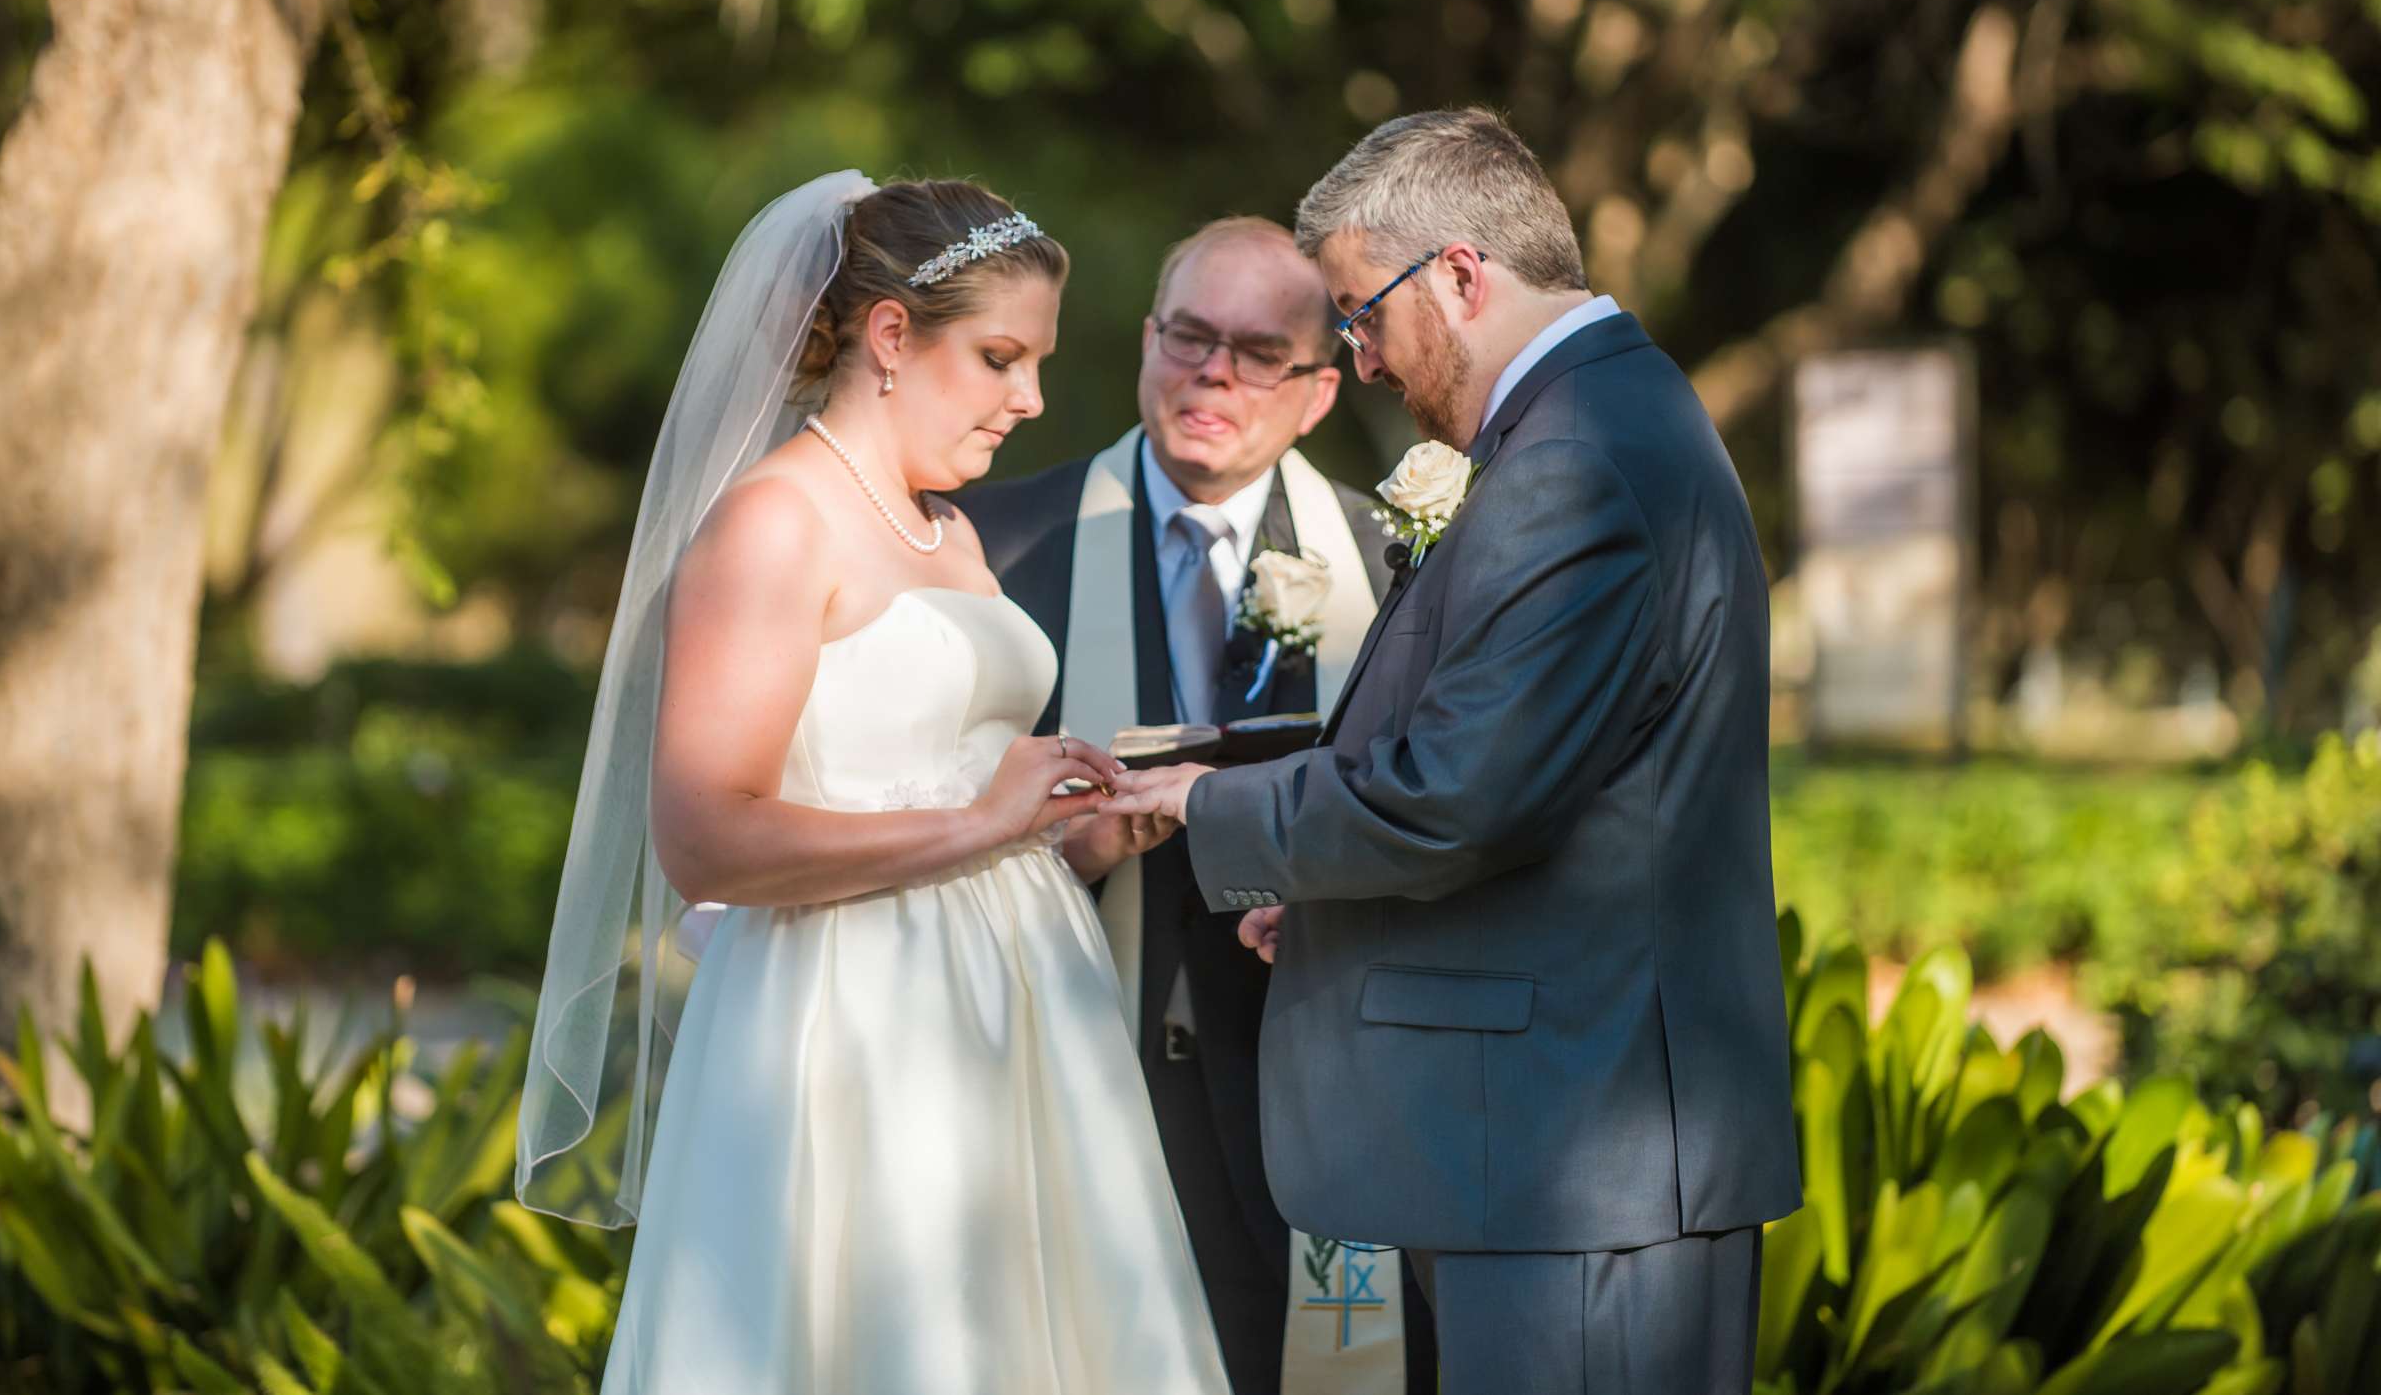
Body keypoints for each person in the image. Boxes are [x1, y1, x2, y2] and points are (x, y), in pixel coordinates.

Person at [1107, 110, 1802, 1395]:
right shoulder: (1598, 423)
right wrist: (1324, 898)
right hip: (1559, 1151)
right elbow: (1551, 796)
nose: (1362, 360)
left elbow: (1459, 795)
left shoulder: (1578, 459)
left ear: (1463, 276)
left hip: (1574, 1169)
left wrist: (1213, 809)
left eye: (1363, 314)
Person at [516, 172, 1229, 1394]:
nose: (1032, 398)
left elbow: (949, 794)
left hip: (1024, 1008)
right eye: (1002, 357)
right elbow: (707, 838)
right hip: (852, 1024)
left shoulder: (944, 528)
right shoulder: (773, 526)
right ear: (892, 336)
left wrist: (1070, 834)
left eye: (1038, 362)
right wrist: (978, 822)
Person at [961, 217, 1433, 1395]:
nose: (1213, 372)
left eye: (1261, 351)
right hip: (1076, 1056)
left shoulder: (1396, 564)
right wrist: (1063, 843)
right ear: (1143, 343)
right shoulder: (998, 547)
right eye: (1189, 336)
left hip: (1310, 1058)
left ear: (1321, 392)